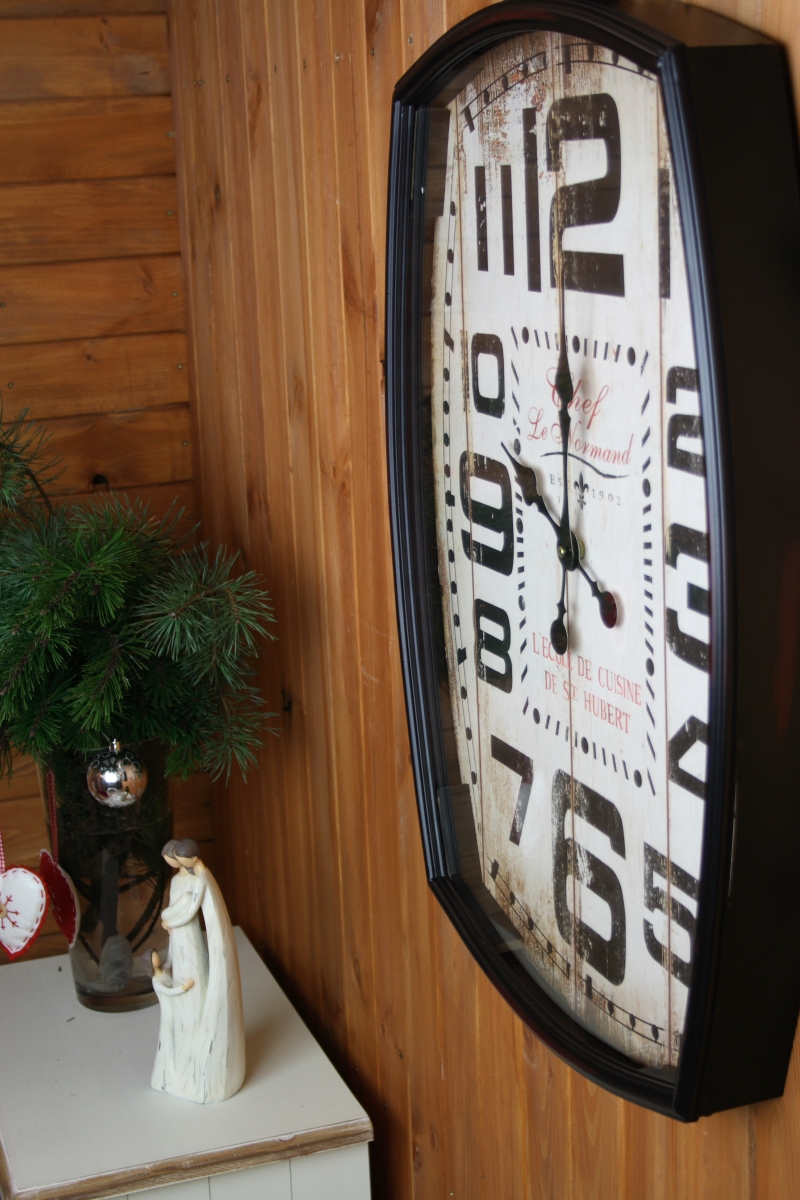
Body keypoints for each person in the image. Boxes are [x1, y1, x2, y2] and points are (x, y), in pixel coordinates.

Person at [151, 837, 245, 1103]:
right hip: (177, 938)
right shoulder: (176, 881)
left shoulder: (200, 879)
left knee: (196, 978)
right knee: (182, 985)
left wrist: (168, 918)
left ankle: (204, 1044)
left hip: (189, 936)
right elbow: (176, 908)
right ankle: (186, 1046)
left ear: (190, 859)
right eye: (172, 860)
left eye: (176, 860)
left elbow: (189, 909)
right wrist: (169, 919)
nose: (173, 864)